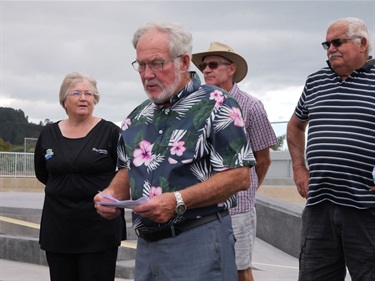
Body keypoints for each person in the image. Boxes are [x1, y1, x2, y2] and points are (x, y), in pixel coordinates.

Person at [94, 22, 256, 281]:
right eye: (141, 65)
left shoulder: (218, 105)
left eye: (157, 63)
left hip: (198, 239)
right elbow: (127, 170)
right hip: (147, 247)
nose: (147, 74)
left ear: (184, 62)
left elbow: (238, 176)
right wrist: (113, 193)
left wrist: (178, 201)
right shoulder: (137, 117)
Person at [287, 17, 375, 281]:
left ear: (362, 44)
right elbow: (294, 127)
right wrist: (299, 168)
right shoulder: (316, 81)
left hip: (366, 208)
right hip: (319, 204)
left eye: (338, 42)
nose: (330, 49)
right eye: (327, 44)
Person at [192, 42, 278, 281]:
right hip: (201, 204)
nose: (206, 70)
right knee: (203, 269)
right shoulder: (196, 106)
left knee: (240, 270)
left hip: (238, 207)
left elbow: (263, 160)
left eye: (213, 64)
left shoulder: (251, 106)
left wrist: (245, 192)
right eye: (203, 66)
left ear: (231, 69)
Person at [34, 72, 126, 281]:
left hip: (98, 226)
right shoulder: (48, 133)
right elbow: (42, 173)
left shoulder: (111, 132)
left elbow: (125, 171)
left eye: (89, 93)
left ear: (95, 100)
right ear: (64, 100)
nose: (83, 98)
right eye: (76, 93)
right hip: (58, 225)